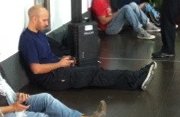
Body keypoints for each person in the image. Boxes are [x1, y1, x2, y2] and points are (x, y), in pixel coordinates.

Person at [0, 34, 106, 117]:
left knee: (46, 98)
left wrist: (19, 95)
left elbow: (8, 93)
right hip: (1, 116)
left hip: (13, 103)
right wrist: (13, 108)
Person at [19, 5, 157, 91]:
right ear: (34, 19)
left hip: (57, 70)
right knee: (93, 73)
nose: (47, 23)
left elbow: (47, 57)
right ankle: (135, 79)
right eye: (44, 20)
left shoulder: (40, 34)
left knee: (95, 72)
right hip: (52, 79)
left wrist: (62, 60)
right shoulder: (28, 39)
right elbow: (36, 69)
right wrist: (60, 64)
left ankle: (135, 76)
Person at [90, 0, 160, 40]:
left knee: (133, 4)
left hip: (113, 22)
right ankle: (140, 31)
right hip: (109, 29)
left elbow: (109, 14)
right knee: (126, 8)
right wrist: (116, 14)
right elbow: (103, 21)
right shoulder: (98, 1)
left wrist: (117, 13)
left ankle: (147, 24)